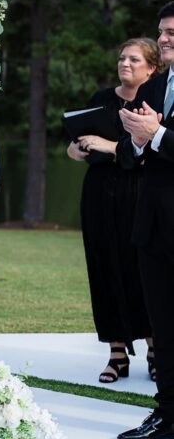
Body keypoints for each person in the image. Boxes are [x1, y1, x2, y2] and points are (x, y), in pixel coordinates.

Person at [66, 39, 157, 383]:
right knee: (103, 268)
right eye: (122, 58)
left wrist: (108, 146)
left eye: (134, 59)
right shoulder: (101, 100)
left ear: (151, 68)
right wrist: (77, 149)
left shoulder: (156, 102)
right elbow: (76, 146)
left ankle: (155, 350)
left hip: (140, 194)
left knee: (142, 272)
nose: (125, 63)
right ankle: (116, 354)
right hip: (100, 195)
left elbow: (150, 152)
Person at [116, 2, 174, 439]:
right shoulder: (155, 88)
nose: (165, 39)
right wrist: (138, 140)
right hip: (154, 224)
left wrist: (154, 135)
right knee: (163, 324)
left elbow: (162, 139)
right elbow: (136, 154)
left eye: (172, 32)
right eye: (162, 32)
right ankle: (167, 412)